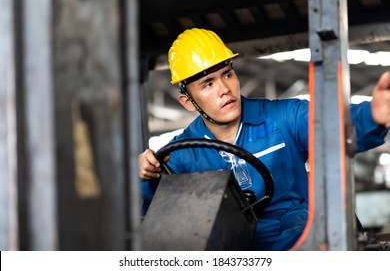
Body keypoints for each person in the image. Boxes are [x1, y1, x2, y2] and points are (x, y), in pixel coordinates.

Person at [138, 28, 390, 250]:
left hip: (298, 245)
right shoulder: (181, 156)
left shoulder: (284, 118)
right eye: (208, 84)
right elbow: (158, 223)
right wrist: (145, 179)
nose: (224, 89)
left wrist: (371, 116)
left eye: (227, 74)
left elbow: (332, 126)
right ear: (188, 102)